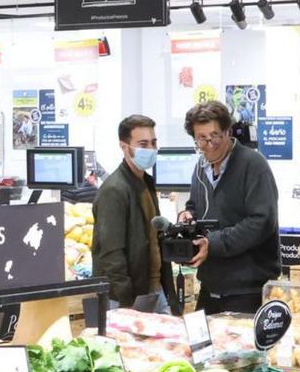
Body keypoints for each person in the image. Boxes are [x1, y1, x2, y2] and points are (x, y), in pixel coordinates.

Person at [180, 100, 280, 315]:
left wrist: (213, 243)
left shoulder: (253, 165)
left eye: (215, 136)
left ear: (228, 131)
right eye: (201, 139)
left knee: (242, 349)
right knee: (202, 348)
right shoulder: (201, 166)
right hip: (210, 287)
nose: (209, 144)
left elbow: (262, 221)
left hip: (247, 291)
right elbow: (195, 205)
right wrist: (187, 216)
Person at [93, 115, 180, 315]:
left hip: (154, 289)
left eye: (153, 142)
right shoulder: (114, 190)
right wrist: (126, 302)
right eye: (143, 144)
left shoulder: (146, 183)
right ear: (124, 147)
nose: (150, 149)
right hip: (129, 297)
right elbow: (111, 253)